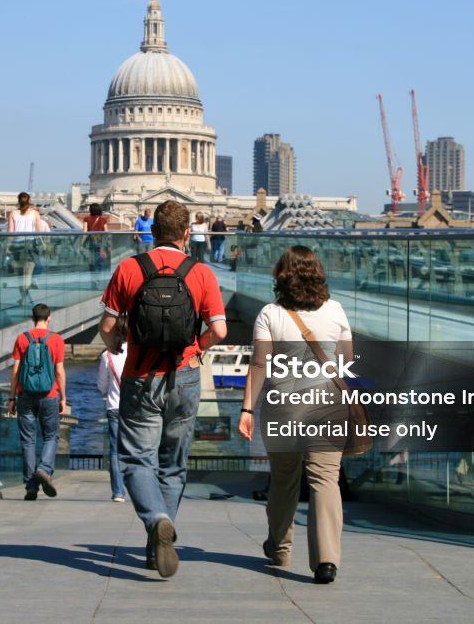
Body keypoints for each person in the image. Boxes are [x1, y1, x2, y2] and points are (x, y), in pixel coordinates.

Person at [99, 200, 228, 578]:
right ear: (187, 233)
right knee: (173, 464)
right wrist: (195, 351)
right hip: (183, 374)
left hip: (141, 375)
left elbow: (107, 328)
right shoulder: (201, 272)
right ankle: (160, 537)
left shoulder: (128, 268)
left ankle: (155, 521)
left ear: (151, 231)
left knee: (138, 458)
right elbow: (219, 330)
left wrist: (116, 347)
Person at [238, 246, 353, 585]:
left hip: (284, 405)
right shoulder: (336, 311)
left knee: (284, 479)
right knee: (324, 479)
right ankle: (326, 560)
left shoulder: (270, 314)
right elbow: (347, 362)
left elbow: (259, 364)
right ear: (318, 274)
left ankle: (279, 548)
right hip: (328, 402)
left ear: (281, 276)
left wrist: (246, 408)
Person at [8, 303, 67, 501]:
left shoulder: (22, 339)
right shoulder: (57, 340)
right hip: (49, 396)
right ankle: (44, 469)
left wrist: (11, 398)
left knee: (28, 440)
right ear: (49, 317)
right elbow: (59, 371)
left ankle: (30, 487)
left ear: (32, 318)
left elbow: (15, 371)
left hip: (25, 395)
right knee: (51, 435)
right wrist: (63, 397)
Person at [97, 315, 129, 503]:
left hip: (114, 406)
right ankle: (141, 487)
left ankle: (118, 491)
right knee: (140, 448)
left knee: (115, 450)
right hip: (135, 408)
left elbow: (101, 384)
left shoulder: (107, 355)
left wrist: (107, 393)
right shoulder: (137, 353)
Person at [7, 191, 41, 305]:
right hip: (30, 245)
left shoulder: (13, 213)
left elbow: (10, 233)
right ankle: (27, 294)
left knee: (20, 275)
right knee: (28, 272)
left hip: (17, 247)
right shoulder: (35, 213)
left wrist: (7, 246)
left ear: (18, 201)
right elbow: (39, 231)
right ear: (29, 200)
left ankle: (24, 298)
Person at [83, 203, 109, 287]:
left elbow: (85, 232)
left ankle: (93, 279)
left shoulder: (86, 219)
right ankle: (98, 278)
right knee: (99, 262)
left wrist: (82, 243)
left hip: (91, 243)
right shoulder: (103, 220)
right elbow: (106, 232)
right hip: (100, 243)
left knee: (92, 262)